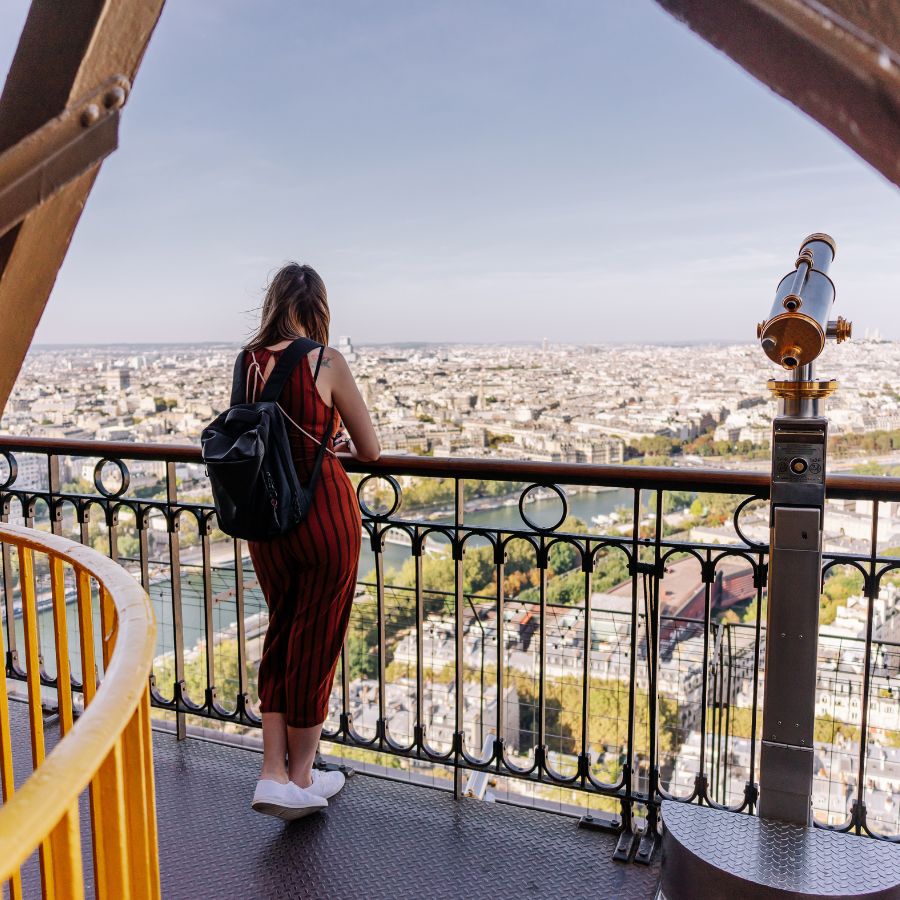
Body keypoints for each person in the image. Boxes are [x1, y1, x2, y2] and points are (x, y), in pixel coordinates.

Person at [242, 263, 380, 821]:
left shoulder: (246, 362)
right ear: (319, 309)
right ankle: (301, 776)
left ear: (272, 303)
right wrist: (332, 440)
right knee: (317, 643)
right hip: (322, 516)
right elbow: (369, 449)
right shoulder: (326, 361)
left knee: (280, 635)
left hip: (265, 519)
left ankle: (272, 772)